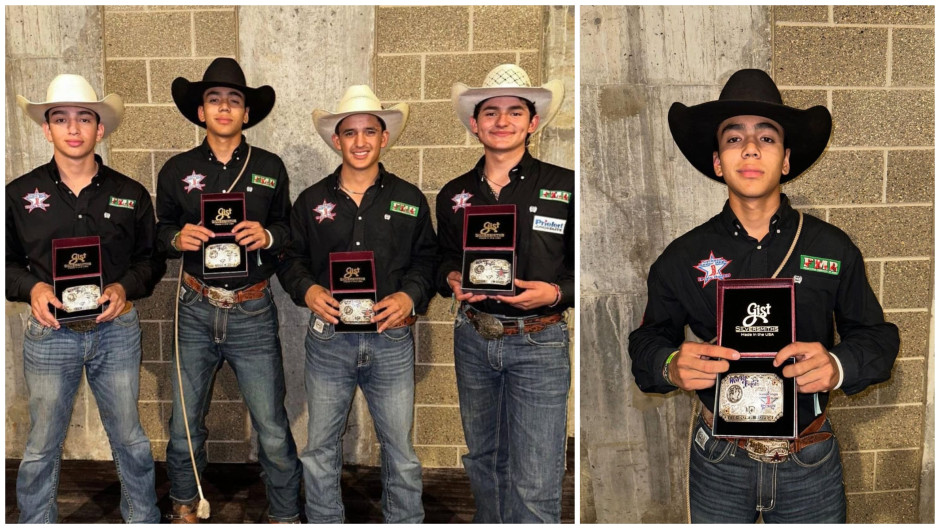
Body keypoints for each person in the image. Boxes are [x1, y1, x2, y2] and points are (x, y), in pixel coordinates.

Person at [628, 69, 900, 523]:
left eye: (766, 138)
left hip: (808, 458)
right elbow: (647, 341)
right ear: (717, 162)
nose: (750, 148)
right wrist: (670, 364)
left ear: (786, 159)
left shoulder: (831, 248)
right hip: (718, 459)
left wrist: (836, 365)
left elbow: (878, 339)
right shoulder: (682, 256)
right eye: (734, 139)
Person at [7, 74, 163, 523]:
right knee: (41, 443)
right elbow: (6, 263)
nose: (72, 128)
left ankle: (141, 517)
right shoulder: (18, 196)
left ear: (101, 129)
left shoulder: (131, 195)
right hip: (50, 334)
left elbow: (150, 261)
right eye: (61, 119)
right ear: (46, 129)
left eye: (83, 119)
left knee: (130, 437)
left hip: (115, 332)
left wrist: (123, 287)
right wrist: (33, 288)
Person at [278, 85, 436, 523]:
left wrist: (409, 296)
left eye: (370, 131)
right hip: (329, 342)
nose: (360, 141)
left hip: (391, 338)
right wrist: (308, 291)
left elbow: (428, 259)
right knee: (321, 448)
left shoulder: (409, 199)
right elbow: (289, 259)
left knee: (400, 450)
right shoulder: (311, 202)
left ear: (385, 138)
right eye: (350, 133)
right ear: (337, 140)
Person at [155, 57, 301, 523]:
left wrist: (270, 236)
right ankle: (184, 502)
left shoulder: (270, 167)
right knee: (183, 424)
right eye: (214, 100)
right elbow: (157, 231)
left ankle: (284, 513)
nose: (223, 107)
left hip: (252, 308)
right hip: (195, 305)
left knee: (273, 428)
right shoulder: (176, 169)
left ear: (246, 113)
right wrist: (177, 239)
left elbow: (288, 228)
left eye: (234, 100)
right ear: (200, 112)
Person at [435, 64, 574, 523]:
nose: (502, 120)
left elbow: (588, 268)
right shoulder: (454, 194)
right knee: (484, 460)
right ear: (474, 124)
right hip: (473, 337)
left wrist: (555, 292)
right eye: (490, 112)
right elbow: (443, 257)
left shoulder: (566, 187)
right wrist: (452, 279)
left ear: (533, 123)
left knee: (536, 476)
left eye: (515, 111)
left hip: (539, 341)